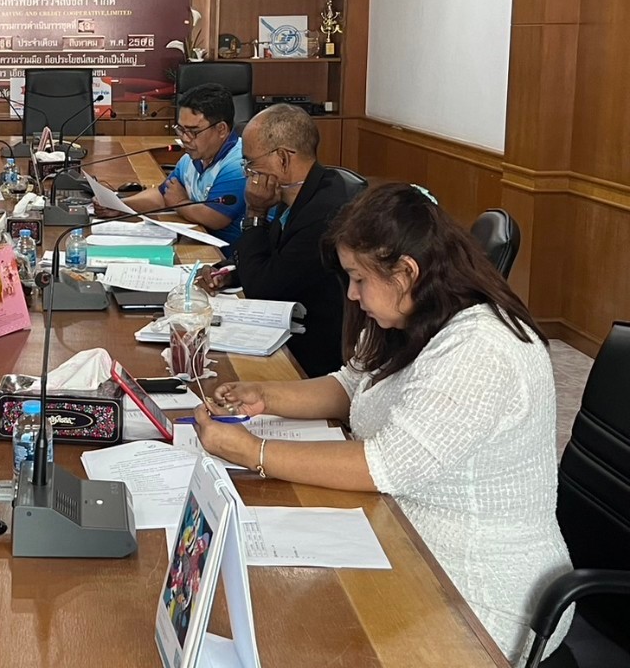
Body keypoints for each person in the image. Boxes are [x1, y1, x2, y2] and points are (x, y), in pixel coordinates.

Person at [192, 183, 573, 666]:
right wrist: (265, 398)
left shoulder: (482, 349)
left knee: (299, 634)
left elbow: (385, 464)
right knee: (275, 608)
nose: (352, 294)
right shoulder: (414, 312)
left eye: (358, 278)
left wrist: (253, 452)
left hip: (478, 591)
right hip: (398, 535)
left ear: (406, 272)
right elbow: (354, 384)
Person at [203, 104, 350, 377]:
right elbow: (274, 257)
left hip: (312, 359)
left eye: (250, 163)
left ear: (282, 159)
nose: (246, 172)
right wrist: (228, 272)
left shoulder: (324, 214)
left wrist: (255, 212)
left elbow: (263, 290)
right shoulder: (301, 192)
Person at [105, 83, 246, 245]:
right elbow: (162, 195)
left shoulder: (238, 163)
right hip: (198, 244)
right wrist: (119, 206)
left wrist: (179, 203)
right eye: (181, 129)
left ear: (221, 130)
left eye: (193, 131)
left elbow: (215, 218)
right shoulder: (190, 159)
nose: (185, 138)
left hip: (228, 255)